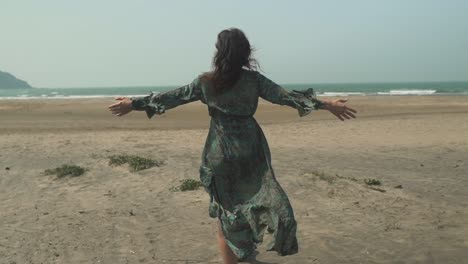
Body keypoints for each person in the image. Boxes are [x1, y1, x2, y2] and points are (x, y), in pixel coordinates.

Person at [108, 28, 357, 264]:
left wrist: (134, 104)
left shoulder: (205, 81)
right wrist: (328, 105)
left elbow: (172, 97)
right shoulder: (254, 80)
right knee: (258, 198)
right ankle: (247, 253)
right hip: (250, 149)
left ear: (218, 52)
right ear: (246, 53)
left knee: (226, 213)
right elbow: (287, 97)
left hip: (220, 150)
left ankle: (240, 256)